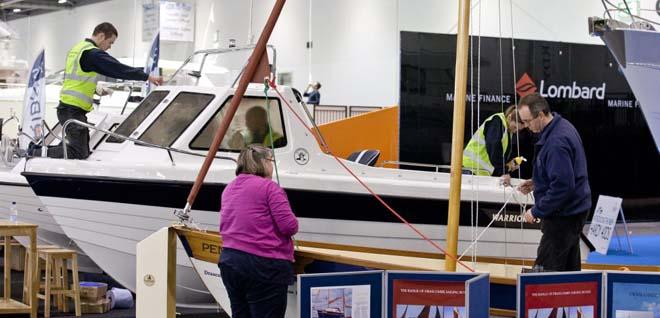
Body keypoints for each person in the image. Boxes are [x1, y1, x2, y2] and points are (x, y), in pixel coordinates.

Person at [45, 22, 162, 159]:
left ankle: (41, 152)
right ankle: (37, 152)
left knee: (79, 149)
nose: (109, 47)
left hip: (70, 108)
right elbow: (116, 68)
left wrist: (96, 89)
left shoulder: (78, 49)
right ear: (101, 36)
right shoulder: (92, 54)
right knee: (79, 152)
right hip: (72, 110)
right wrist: (146, 76)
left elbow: (77, 79)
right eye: (110, 42)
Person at [219, 144, 298, 318]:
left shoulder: (229, 189)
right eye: (271, 161)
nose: (272, 166)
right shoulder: (270, 188)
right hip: (263, 266)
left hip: (230, 262)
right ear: (263, 162)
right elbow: (289, 226)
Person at [517, 93, 591, 272]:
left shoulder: (556, 142)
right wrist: (538, 182)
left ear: (541, 115)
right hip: (573, 211)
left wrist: (536, 210)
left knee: (545, 273)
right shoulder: (562, 127)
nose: (526, 126)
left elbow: (563, 186)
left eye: (528, 121)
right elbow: (565, 174)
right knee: (567, 270)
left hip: (564, 215)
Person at [462, 105, 526, 182]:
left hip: (480, 172)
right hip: (470, 169)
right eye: (515, 127)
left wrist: (508, 165)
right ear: (509, 117)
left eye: (518, 130)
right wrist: (503, 171)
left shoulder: (507, 130)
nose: (516, 131)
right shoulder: (497, 121)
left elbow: (497, 154)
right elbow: (494, 148)